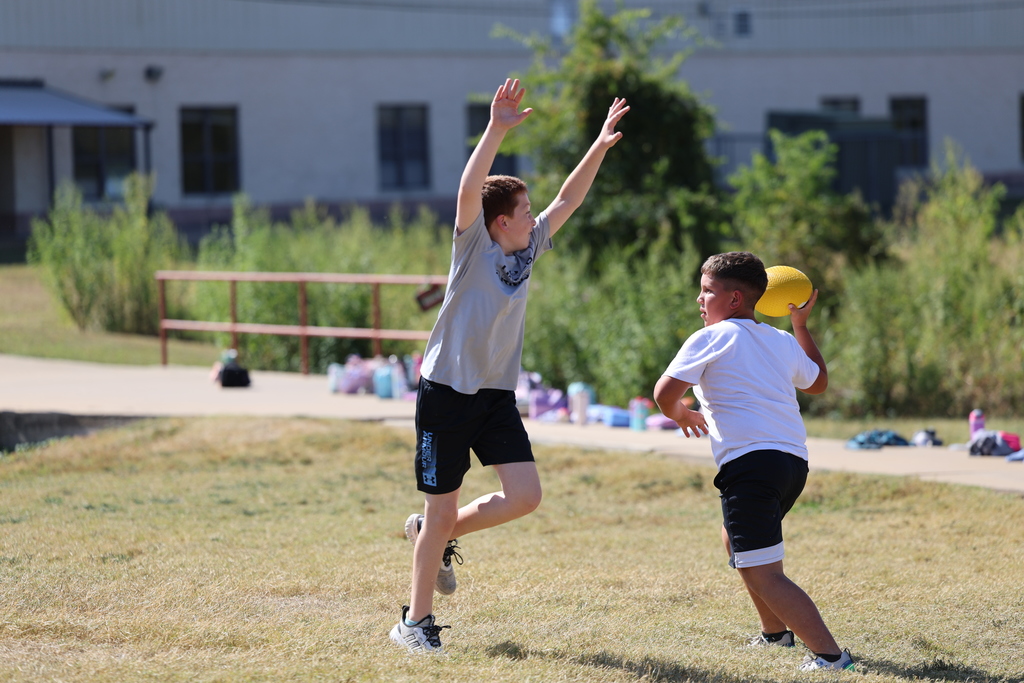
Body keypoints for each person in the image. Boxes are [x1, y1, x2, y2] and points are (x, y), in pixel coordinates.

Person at [390, 78, 629, 654]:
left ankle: (431, 536)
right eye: (524, 210)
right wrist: (496, 127)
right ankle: (414, 624)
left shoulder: (527, 250)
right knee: (440, 503)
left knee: (524, 495)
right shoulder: (473, 246)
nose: (533, 216)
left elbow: (569, 200)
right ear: (500, 221)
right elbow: (471, 188)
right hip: (446, 392)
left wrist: (597, 145)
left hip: (494, 394)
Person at [652, 251, 855, 672]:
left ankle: (832, 657)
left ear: (734, 300)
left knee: (765, 573)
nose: (699, 300)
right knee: (737, 541)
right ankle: (776, 633)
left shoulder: (710, 336)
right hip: (791, 466)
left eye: (707, 291)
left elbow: (664, 393)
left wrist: (681, 414)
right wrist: (800, 328)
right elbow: (818, 382)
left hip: (750, 467)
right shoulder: (780, 340)